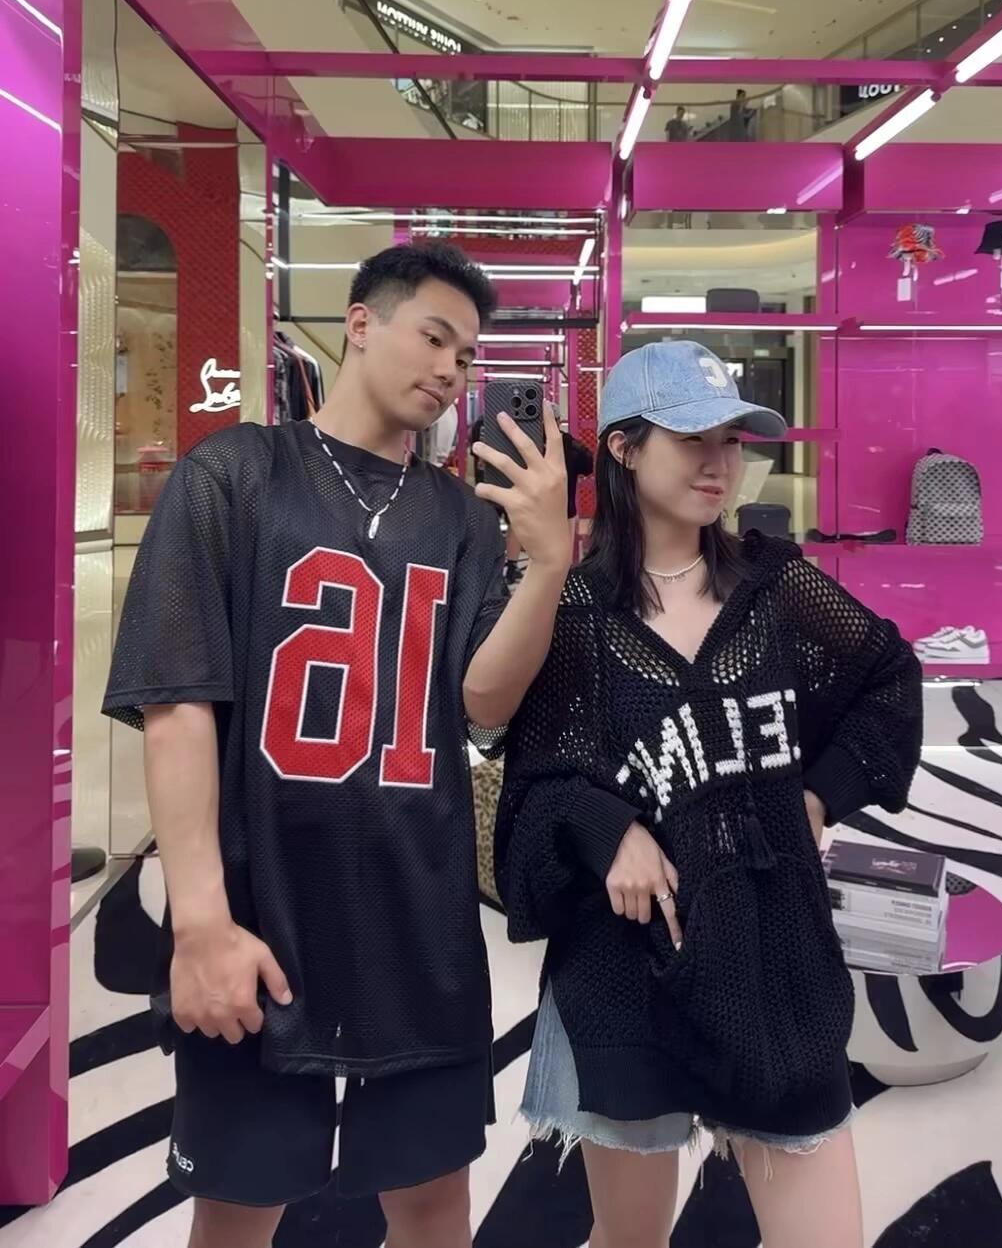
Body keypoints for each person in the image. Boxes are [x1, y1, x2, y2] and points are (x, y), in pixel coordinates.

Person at [103, 242, 572, 1248]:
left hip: (419, 919)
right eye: (433, 337)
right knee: (239, 1206)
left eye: (466, 355)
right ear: (360, 324)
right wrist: (201, 923)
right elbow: (178, 706)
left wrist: (545, 565)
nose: (449, 369)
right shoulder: (234, 475)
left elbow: (481, 701)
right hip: (262, 907)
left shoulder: (457, 517)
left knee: (433, 1205)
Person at [495, 340, 922, 1248]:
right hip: (623, 975)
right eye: (693, 438)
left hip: (775, 959)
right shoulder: (573, 613)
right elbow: (528, 788)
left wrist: (820, 797)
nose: (719, 462)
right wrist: (607, 826)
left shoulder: (775, 589)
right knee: (631, 1239)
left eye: (732, 439)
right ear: (623, 448)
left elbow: (888, 678)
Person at [505, 405, 593, 584]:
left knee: (535, 552)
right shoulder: (571, 446)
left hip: (533, 507)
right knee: (562, 553)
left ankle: (516, 570)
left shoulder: (528, 444)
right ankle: (560, 582)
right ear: (558, 422)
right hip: (563, 509)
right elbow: (587, 466)